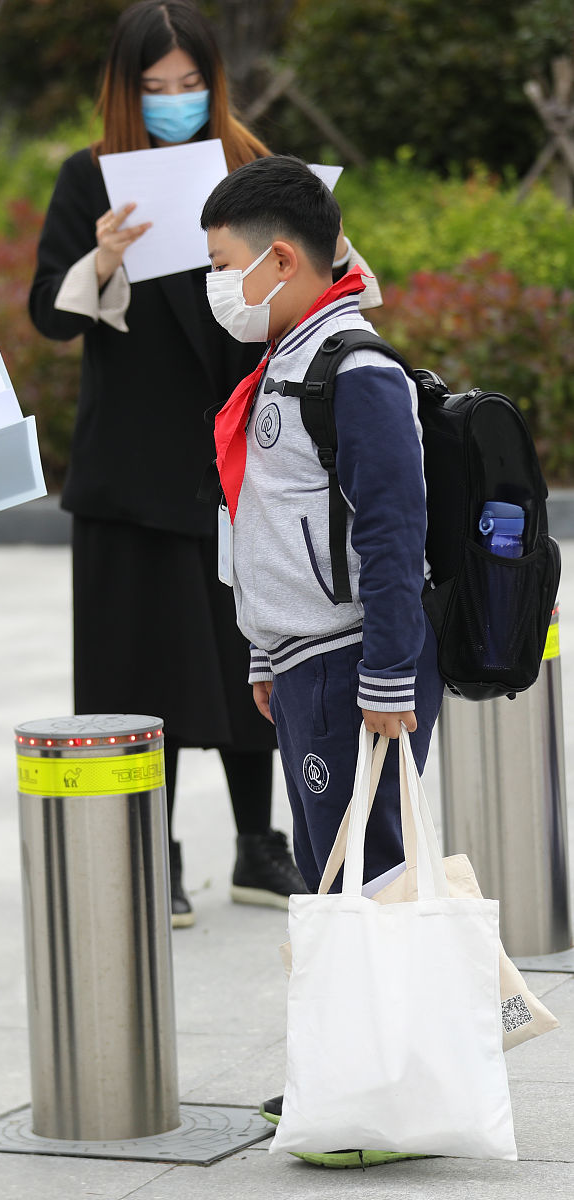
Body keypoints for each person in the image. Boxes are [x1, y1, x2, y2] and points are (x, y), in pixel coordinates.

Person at [29, 0, 379, 926]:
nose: (175, 100)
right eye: (156, 86)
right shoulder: (91, 177)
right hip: (132, 465)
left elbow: (325, 278)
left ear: (214, 82)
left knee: (248, 651)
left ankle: (260, 844)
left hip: (242, 451)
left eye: (191, 83)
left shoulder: (253, 166)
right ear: (126, 88)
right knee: (139, 665)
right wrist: (103, 259)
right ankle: (158, 850)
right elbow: (48, 312)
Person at [200, 154, 444, 1163]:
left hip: (353, 665)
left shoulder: (355, 370)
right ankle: (341, 1076)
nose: (215, 285)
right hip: (305, 661)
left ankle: (378, 1100)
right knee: (328, 878)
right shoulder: (284, 362)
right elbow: (266, 521)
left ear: (282, 261)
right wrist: (264, 653)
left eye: (223, 265)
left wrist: (386, 674)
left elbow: (391, 532)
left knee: (367, 878)